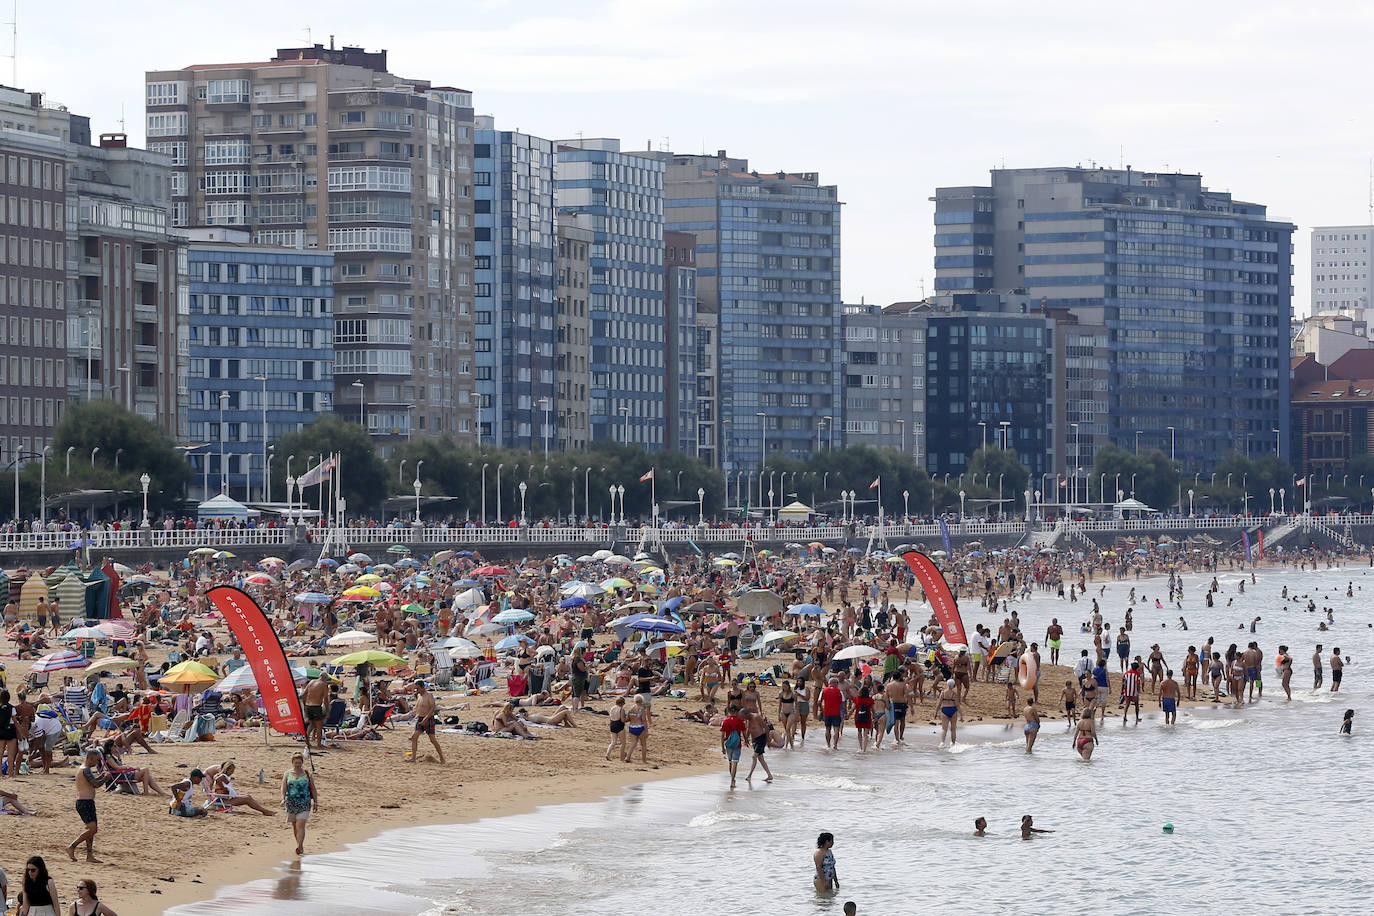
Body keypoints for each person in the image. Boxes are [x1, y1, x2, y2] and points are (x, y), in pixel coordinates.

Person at [67, 750, 105, 863]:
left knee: (91, 830)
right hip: (85, 802)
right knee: (92, 829)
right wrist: (106, 778)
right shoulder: (86, 770)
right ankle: (72, 846)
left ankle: (89, 855)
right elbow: (96, 784)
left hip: (86, 802)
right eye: (97, 760)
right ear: (91, 758)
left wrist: (101, 777)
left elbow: (92, 782)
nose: (97, 763)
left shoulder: (83, 769)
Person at [281, 751, 318, 856]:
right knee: (294, 826)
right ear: (292, 762)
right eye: (296, 762)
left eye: (299, 762)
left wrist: (315, 802)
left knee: (300, 824)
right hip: (291, 803)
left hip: (304, 803)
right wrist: (283, 798)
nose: (298, 765)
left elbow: (313, 788)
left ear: (302, 762)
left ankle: (300, 845)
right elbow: (283, 787)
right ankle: (298, 843)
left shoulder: (307, 774)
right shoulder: (287, 773)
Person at [210, 761, 275, 815]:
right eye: (231, 771)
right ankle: (265, 811)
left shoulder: (223, 776)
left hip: (223, 798)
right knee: (247, 799)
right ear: (227, 769)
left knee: (247, 796)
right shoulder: (222, 776)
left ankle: (264, 811)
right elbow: (217, 780)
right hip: (223, 800)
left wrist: (224, 789)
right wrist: (224, 788)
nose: (232, 773)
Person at [409, 680, 445, 764]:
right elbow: (418, 707)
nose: (416, 690)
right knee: (414, 737)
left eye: (417, 688)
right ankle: (413, 758)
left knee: (432, 739)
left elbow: (432, 707)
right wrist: (414, 714)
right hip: (420, 719)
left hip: (429, 719)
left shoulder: (429, 695)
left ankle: (442, 758)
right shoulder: (419, 696)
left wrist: (426, 718)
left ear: (422, 687)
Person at [720, 705, 747, 788]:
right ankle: (732, 780)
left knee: (730, 762)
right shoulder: (740, 721)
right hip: (737, 744)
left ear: (729, 711)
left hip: (728, 744)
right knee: (735, 762)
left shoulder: (726, 721)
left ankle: (732, 779)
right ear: (736, 712)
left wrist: (722, 747)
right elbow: (744, 732)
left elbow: (722, 735)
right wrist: (746, 740)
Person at [302, 674, 330, 750]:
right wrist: (327, 711)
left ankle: (307, 740)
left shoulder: (311, 682)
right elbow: (326, 699)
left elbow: (304, 694)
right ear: (325, 678)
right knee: (319, 726)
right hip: (316, 706)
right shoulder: (324, 684)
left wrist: (304, 705)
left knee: (312, 724)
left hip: (308, 705)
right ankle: (319, 744)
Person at [820, 677, 844, 749]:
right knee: (836, 729)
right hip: (836, 713)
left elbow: (819, 702)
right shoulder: (839, 691)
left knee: (828, 729)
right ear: (835, 683)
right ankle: (835, 745)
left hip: (827, 712)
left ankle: (828, 745)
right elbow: (842, 702)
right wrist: (845, 712)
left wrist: (822, 709)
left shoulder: (824, 691)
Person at [937, 678, 960, 746]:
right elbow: (957, 705)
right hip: (953, 710)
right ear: (953, 685)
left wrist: (936, 712)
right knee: (953, 729)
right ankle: (953, 743)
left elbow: (939, 704)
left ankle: (942, 743)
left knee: (944, 729)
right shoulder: (954, 694)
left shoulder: (943, 693)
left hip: (944, 710)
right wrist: (961, 715)